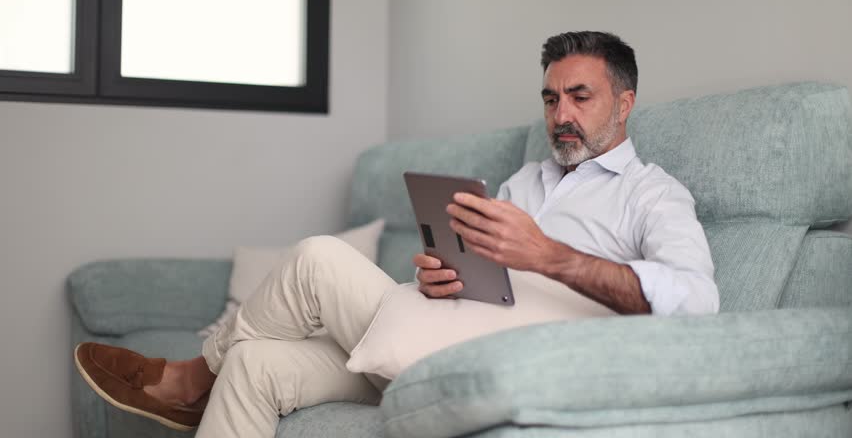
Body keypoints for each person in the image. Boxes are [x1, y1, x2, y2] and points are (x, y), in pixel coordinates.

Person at [74, 31, 718, 438]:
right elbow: (480, 276)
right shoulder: (527, 181)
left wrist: (549, 257)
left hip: (507, 364)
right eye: (551, 100)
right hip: (437, 332)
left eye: (580, 97)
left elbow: (696, 301)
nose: (562, 115)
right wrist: (438, 277)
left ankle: (190, 379)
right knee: (255, 364)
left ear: (625, 103)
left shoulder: (653, 195)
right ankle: (218, 371)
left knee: (318, 258)